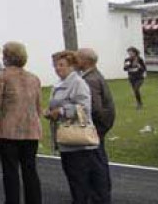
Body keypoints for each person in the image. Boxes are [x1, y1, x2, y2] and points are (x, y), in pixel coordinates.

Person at [47, 51, 109, 204]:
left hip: (78, 141)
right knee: (74, 179)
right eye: (55, 65)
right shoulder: (59, 84)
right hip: (65, 139)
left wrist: (60, 111)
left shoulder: (78, 83)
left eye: (61, 65)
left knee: (80, 180)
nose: (57, 68)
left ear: (72, 66)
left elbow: (84, 108)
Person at [0, 42, 42, 204]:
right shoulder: (34, 78)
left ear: (7, 57)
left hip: (8, 130)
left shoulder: (2, 76)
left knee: (10, 172)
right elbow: (37, 106)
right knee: (30, 170)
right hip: (31, 130)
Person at [76, 48, 115, 200]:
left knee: (96, 163)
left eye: (78, 58)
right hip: (101, 124)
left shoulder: (90, 79)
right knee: (99, 160)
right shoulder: (95, 75)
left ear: (85, 61)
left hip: (96, 126)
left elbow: (94, 107)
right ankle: (102, 192)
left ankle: (100, 195)